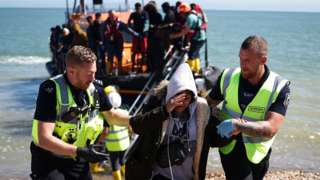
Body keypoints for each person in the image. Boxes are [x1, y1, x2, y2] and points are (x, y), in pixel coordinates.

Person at [30, 46, 130, 180]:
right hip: (48, 160)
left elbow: (112, 116)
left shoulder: (96, 89)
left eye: (94, 72)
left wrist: (142, 119)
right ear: (71, 71)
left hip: (78, 160)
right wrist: (79, 151)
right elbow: (43, 138)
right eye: (89, 74)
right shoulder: (50, 90)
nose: (93, 77)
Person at [206, 35, 291, 180]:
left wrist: (238, 125)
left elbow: (271, 128)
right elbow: (207, 103)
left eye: (247, 61)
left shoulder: (279, 86)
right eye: (240, 59)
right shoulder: (227, 76)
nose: (242, 64)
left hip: (259, 152)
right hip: (229, 147)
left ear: (263, 60)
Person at [125, 63, 210, 180]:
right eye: (178, 97)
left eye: (186, 98)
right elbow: (136, 125)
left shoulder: (201, 111)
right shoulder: (158, 104)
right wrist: (165, 110)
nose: (182, 103)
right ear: (171, 94)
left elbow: (213, 138)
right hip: (160, 175)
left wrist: (231, 129)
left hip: (188, 176)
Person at [170, 2, 206, 74]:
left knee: (191, 55)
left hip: (197, 38)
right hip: (201, 37)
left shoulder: (190, 18)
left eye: (181, 13)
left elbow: (184, 32)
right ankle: (197, 70)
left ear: (184, 12)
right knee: (196, 55)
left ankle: (190, 71)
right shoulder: (194, 15)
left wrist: (173, 36)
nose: (181, 15)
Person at [104, 86, 130, 180]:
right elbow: (129, 127)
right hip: (124, 143)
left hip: (112, 145)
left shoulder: (106, 116)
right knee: (123, 161)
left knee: (115, 165)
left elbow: (105, 132)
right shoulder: (125, 112)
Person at [103, 10, 126, 75]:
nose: (112, 17)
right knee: (110, 58)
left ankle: (120, 72)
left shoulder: (120, 23)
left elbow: (127, 29)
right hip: (110, 44)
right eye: (110, 15)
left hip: (118, 43)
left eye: (113, 15)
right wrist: (104, 43)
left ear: (115, 15)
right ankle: (109, 73)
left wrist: (136, 35)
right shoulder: (105, 24)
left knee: (119, 57)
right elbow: (102, 33)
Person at [128, 2, 149, 72]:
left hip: (143, 36)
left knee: (143, 52)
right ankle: (133, 67)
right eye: (136, 8)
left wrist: (143, 33)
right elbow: (129, 23)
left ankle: (142, 68)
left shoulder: (145, 14)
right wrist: (133, 31)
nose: (138, 9)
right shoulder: (133, 14)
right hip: (136, 35)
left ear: (141, 7)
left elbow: (147, 24)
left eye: (139, 8)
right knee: (134, 52)